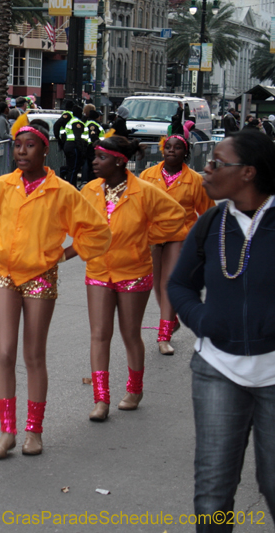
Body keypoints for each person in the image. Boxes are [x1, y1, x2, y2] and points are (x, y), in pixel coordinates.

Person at [0, 120, 111, 458]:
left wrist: (62, 254)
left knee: (33, 355)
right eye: (18, 145)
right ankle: (7, 432)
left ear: (46, 150)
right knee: (3, 353)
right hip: (5, 274)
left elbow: (98, 232)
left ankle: (34, 430)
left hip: (40, 277)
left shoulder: (63, 191)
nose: (22, 151)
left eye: (30, 145)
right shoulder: (1, 186)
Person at [168, 130, 275, 531]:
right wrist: (203, 320)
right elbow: (179, 285)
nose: (205, 170)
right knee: (213, 489)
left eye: (216, 163)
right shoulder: (212, 222)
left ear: (247, 173)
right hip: (217, 370)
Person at [79, 135, 185, 421]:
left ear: (119, 161)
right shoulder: (89, 190)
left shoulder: (145, 191)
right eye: (95, 157)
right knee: (99, 335)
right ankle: (101, 400)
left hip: (134, 273)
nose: (94, 162)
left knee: (129, 334)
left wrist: (145, 238)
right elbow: (74, 223)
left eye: (101, 157)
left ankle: (135, 390)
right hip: (99, 271)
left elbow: (176, 216)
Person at [139, 111, 214, 356]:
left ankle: (164, 336)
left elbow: (208, 213)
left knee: (168, 284)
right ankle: (171, 320)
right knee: (157, 286)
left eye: (177, 148)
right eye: (167, 147)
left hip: (180, 237)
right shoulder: (147, 176)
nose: (171, 151)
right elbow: (138, 208)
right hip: (153, 237)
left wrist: (207, 243)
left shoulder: (194, 180)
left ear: (186, 153)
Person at [83, 109, 105, 184]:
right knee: (93, 165)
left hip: (90, 147)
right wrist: (98, 144)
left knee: (89, 165)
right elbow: (93, 136)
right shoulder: (92, 125)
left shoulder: (89, 123)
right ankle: (92, 181)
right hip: (93, 148)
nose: (100, 117)